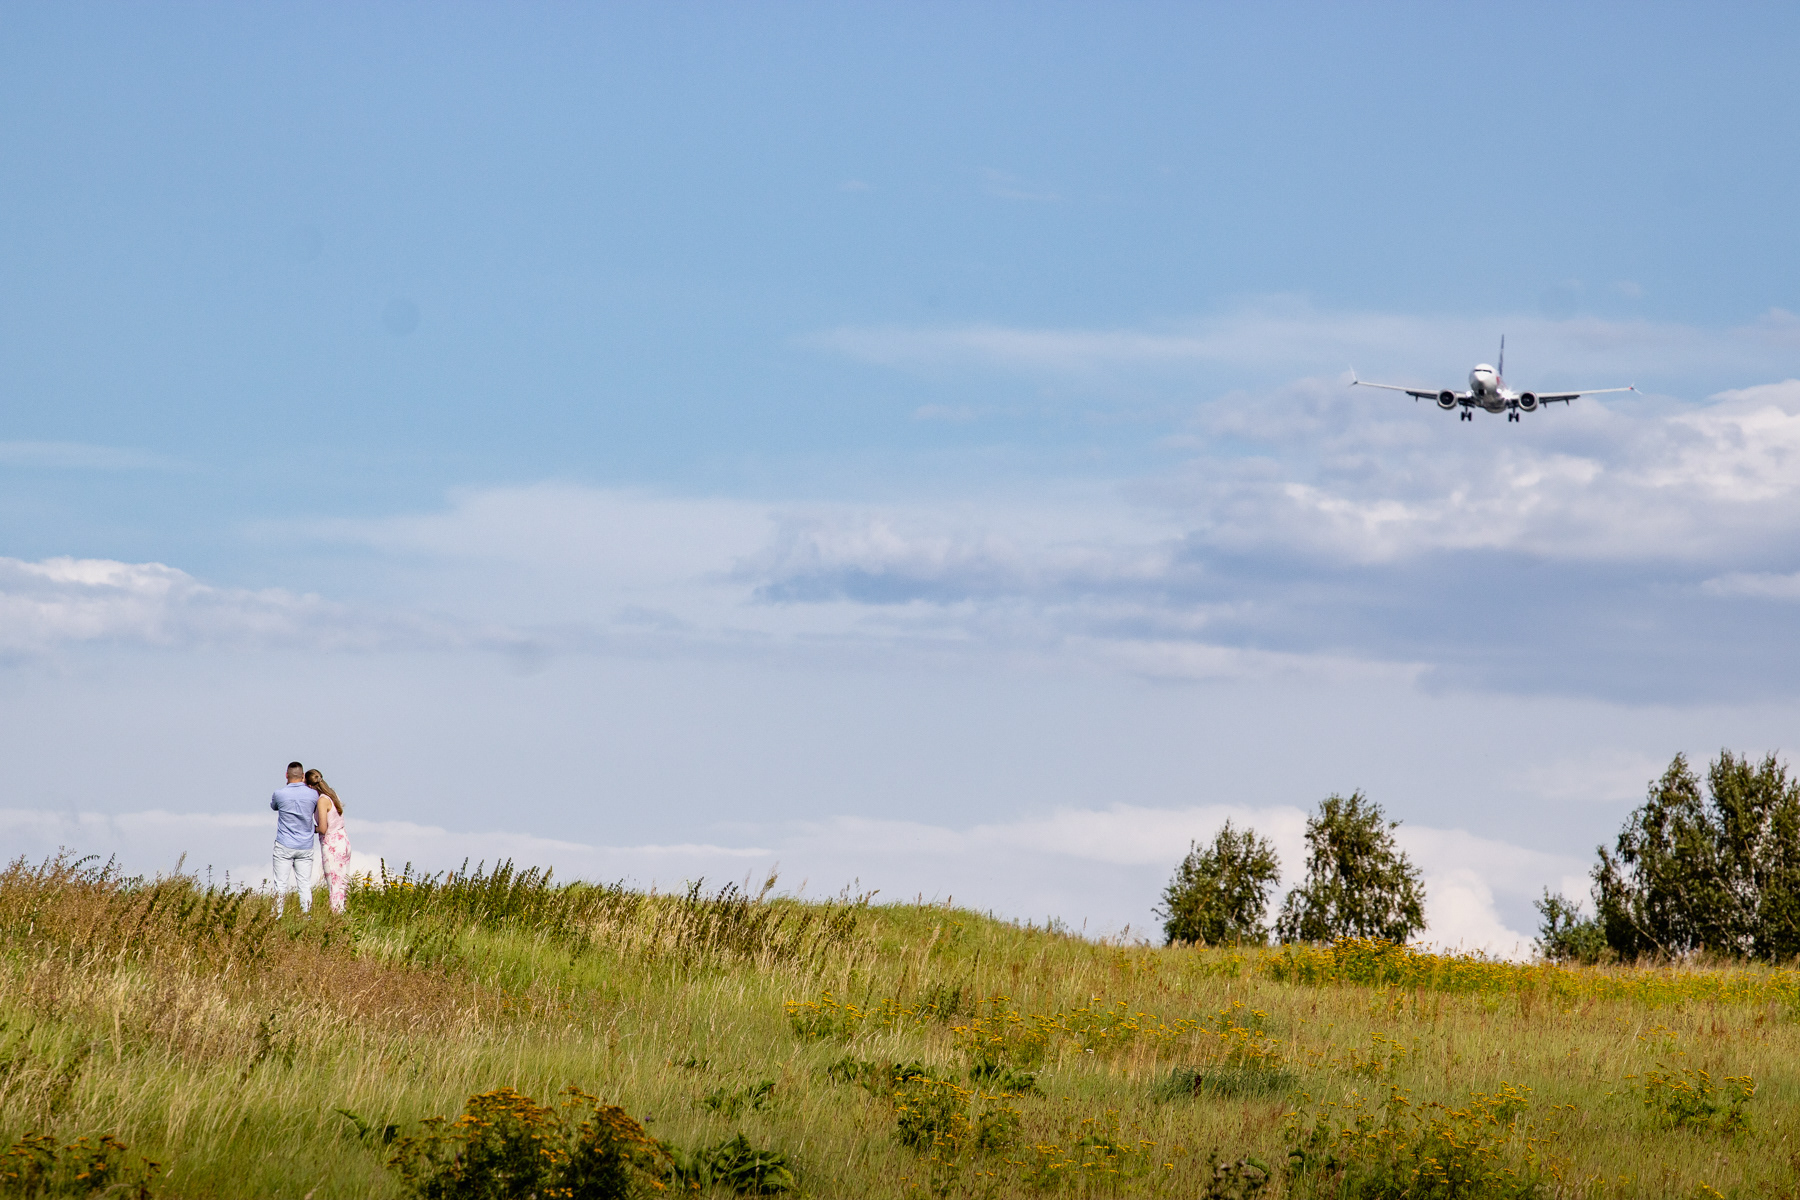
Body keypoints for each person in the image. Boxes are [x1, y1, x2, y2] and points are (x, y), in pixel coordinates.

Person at [269, 761, 319, 916]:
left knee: (280, 884)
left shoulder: (280, 793)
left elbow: (274, 806)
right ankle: (307, 916)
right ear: (303, 776)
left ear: (286, 775)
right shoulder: (313, 794)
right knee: (304, 884)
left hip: (284, 843)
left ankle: (276, 916)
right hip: (305, 844)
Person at [307, 768, 352, 914]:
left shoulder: (322, 801)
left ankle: (336, 915)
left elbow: (323, 828)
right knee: (341, 882)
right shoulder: (332, 794)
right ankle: (341, 911)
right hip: (343, 839)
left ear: (310, 787)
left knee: (333, 883)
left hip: (332, 843)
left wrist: (308, 828)